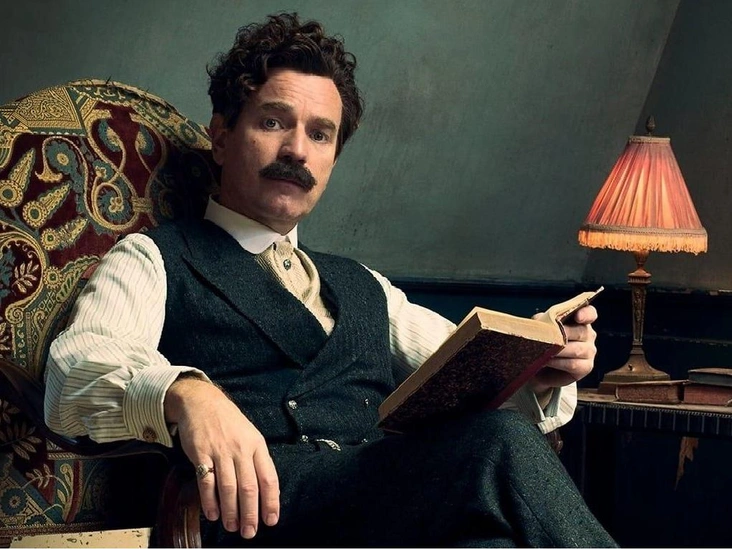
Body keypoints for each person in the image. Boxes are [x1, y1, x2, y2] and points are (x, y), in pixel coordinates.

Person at [44, 12, 616, 548]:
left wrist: (542, 366)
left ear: (332, 161)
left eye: (320, 135)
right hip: (265, 513)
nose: (297, 151)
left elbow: (464, 367)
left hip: (381, 504)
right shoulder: (154, 257)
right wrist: (185, 393)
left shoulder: (363, 284)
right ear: (220, 136)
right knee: (500, 442)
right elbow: (75, 373)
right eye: (273, 122)